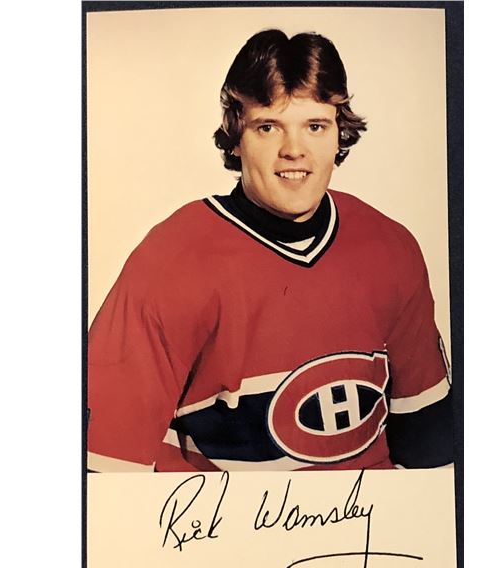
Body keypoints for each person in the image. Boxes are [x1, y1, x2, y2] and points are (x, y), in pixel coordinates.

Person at [87, 29, 453, 473]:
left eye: (315, 126)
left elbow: (429, 447)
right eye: (268, 127)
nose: (294, 150)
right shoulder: (168, 262)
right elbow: (107, 471)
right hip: (220, 516)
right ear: (236, 137)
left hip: (364, 515)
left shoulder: (390, 247)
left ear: (339, 134)